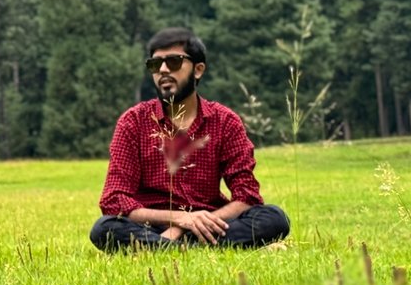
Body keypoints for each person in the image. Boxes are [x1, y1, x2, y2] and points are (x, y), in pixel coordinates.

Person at [90, 27, 291, 251]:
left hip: (211, 222)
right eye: (155, 64)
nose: (163, 70)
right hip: (153, 226)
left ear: (198, 70)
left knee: (274, 218)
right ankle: (206, 247)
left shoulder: (225, 121)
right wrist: (178, 219)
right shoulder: (133, 122)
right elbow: (114, 200)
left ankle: (164, 248)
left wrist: (185, 226)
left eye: (174, 62)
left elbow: (247, 196)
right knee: (104, 228)